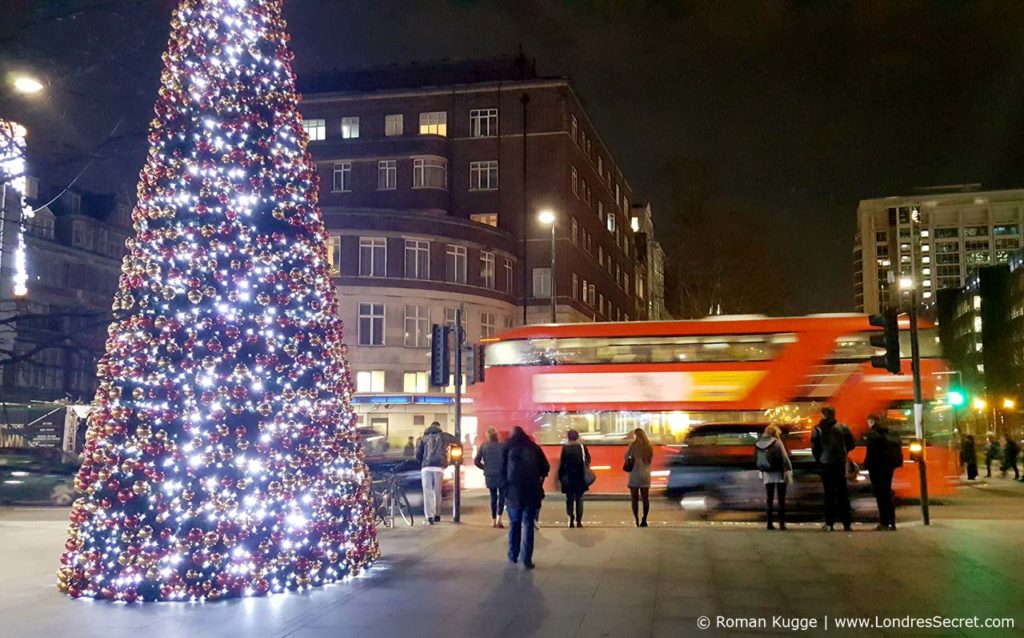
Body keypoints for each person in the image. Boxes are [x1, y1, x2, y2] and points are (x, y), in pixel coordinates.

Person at [502, 426, 549, 569]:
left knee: (514, 523)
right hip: (531, 491)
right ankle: (527, 559)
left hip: (513, 493)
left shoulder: (507, 447)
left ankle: (513, 555)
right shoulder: (534, 448)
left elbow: (501, 471)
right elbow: (545, 468)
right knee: (528, 524)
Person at [811, 406, 855, 531]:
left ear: (823, 415)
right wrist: (843, 452)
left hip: (826, 464)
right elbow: (852, 443)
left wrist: (820, 459)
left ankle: (829, 523)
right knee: (843, 493)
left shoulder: (818, 429)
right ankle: (847, 524)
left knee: (829, 494)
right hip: (840, 463)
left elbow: (815, 448)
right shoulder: (843, 427)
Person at [862, 414, 900, 531]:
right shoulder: (889, 432)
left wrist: (865, 465)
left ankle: (884, 522)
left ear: (872, 421)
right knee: (887, 494)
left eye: (868, 422)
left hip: (877, 469)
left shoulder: (872, 434)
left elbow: (871, 454)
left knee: (880, 495)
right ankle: (892, 522)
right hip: (889, 468)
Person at [415, 421, 456, 525]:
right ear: (439, 427)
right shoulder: (443, 436)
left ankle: (429, 517)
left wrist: (422, 462)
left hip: (426, 468)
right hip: (439, 468)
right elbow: (457, 441)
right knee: (437, 492)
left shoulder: (423, 438)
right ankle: (437, 514)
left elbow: (418, 454)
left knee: (427, 492)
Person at [755, 425, 792, 530]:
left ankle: (769, 523)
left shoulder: (759, 443)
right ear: (775, 433)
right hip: (779, 473)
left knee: (769, 499)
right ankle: (781, 523)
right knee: (781, 499)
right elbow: (784, 458)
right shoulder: (777, 442)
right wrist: (789, 470)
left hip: (766, 472)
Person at [558, 429, 592, 528]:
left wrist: (560, 477)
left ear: (568, 437)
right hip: (580, 477)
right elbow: (588, 460)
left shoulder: (565, 448)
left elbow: (562, 463)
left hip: (568, 478)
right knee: (579, 498)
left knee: (569, 499)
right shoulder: (582, 447)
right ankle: (579, 521)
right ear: (577, 437)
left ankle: (570, 519)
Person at [475, 427, 507, 528]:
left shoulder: (484, 446)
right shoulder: (503, 446)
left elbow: (476, 461)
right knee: (502, 496)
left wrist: (485, 468)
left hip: (489, 475)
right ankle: (499, 518)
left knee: (493, 497)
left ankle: (493, 520)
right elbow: (507, 460)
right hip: (502, 474)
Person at [624, 428, 654, 527]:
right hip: (645, 475)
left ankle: (636, 520)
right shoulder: (649, 446)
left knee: (634, 498)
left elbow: (626, 457)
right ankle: (644, 519)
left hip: (635, 474)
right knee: (645, 498)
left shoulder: (632, 446)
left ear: (636, 436)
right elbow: (649, 460)